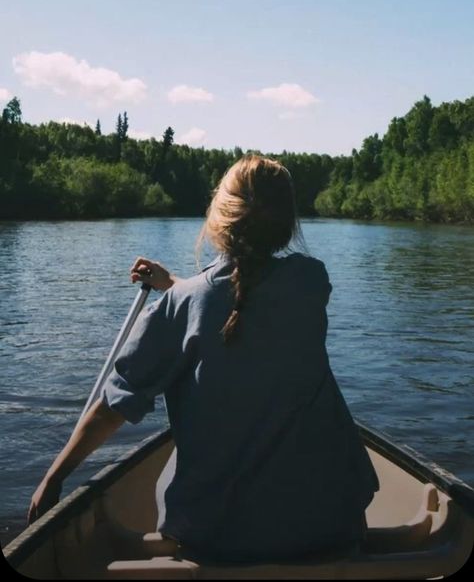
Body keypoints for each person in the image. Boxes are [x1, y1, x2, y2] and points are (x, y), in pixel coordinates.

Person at [28, 154, 378, 563]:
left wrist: (54, 478)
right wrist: (174, 285)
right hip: (330, 525)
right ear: (288, 223)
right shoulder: (312, 281)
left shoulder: (182, 304)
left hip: (218, 538)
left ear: (218, 216)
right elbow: (236, 302)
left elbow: (113, 409)